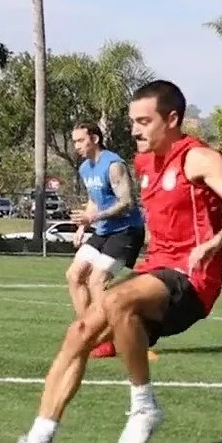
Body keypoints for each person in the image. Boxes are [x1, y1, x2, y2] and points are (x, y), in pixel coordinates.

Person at [0, 81, 222, 443]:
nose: (134, 130)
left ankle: (144, 405)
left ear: (172, 119)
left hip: (193, 278)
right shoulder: (145, 162)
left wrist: (218, 241)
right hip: (156, 269)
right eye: (132, 121)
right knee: (79, 333)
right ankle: (40, 440)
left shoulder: (197, 158)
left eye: (144, 121)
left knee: (116, 298)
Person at [64, 123, 144, 359]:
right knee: (74, 275)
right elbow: (93, 200)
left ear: (95, 139)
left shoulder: (113, 165)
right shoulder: (85, 168)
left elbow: (127, 202)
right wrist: (83, 226)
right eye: (75, 141)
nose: (77, 146)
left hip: (127, 231)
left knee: (97, 281)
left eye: (81, 140)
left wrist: (93, 218)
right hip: (104, 229)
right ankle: (89, 332)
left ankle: (109, 341)